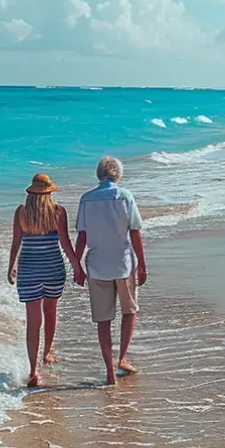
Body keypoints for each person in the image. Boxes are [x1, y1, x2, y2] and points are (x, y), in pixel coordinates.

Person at [74, 156, 147, 386]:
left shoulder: (86, 199)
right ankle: (122, 358)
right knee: (129, 311)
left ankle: (109, 372)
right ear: (118, 175)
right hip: (123, 263)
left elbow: (82, 236)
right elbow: (135, 232)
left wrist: (76, 265)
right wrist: (143, 264)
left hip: (96, 265)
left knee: (103, 320)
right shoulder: (125, 196)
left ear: (98, 175)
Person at [7, 173, 85, 388]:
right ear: (49, 193)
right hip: (53, 270)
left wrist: (11, 267)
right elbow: (66, 243)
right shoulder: (57, 212)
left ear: (31, 193)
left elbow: (16, 244)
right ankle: (47, 353)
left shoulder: (21, 213)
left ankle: (33, 371)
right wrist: (77, 266)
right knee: (50, 311)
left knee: (33, 323)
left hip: (29, 272)